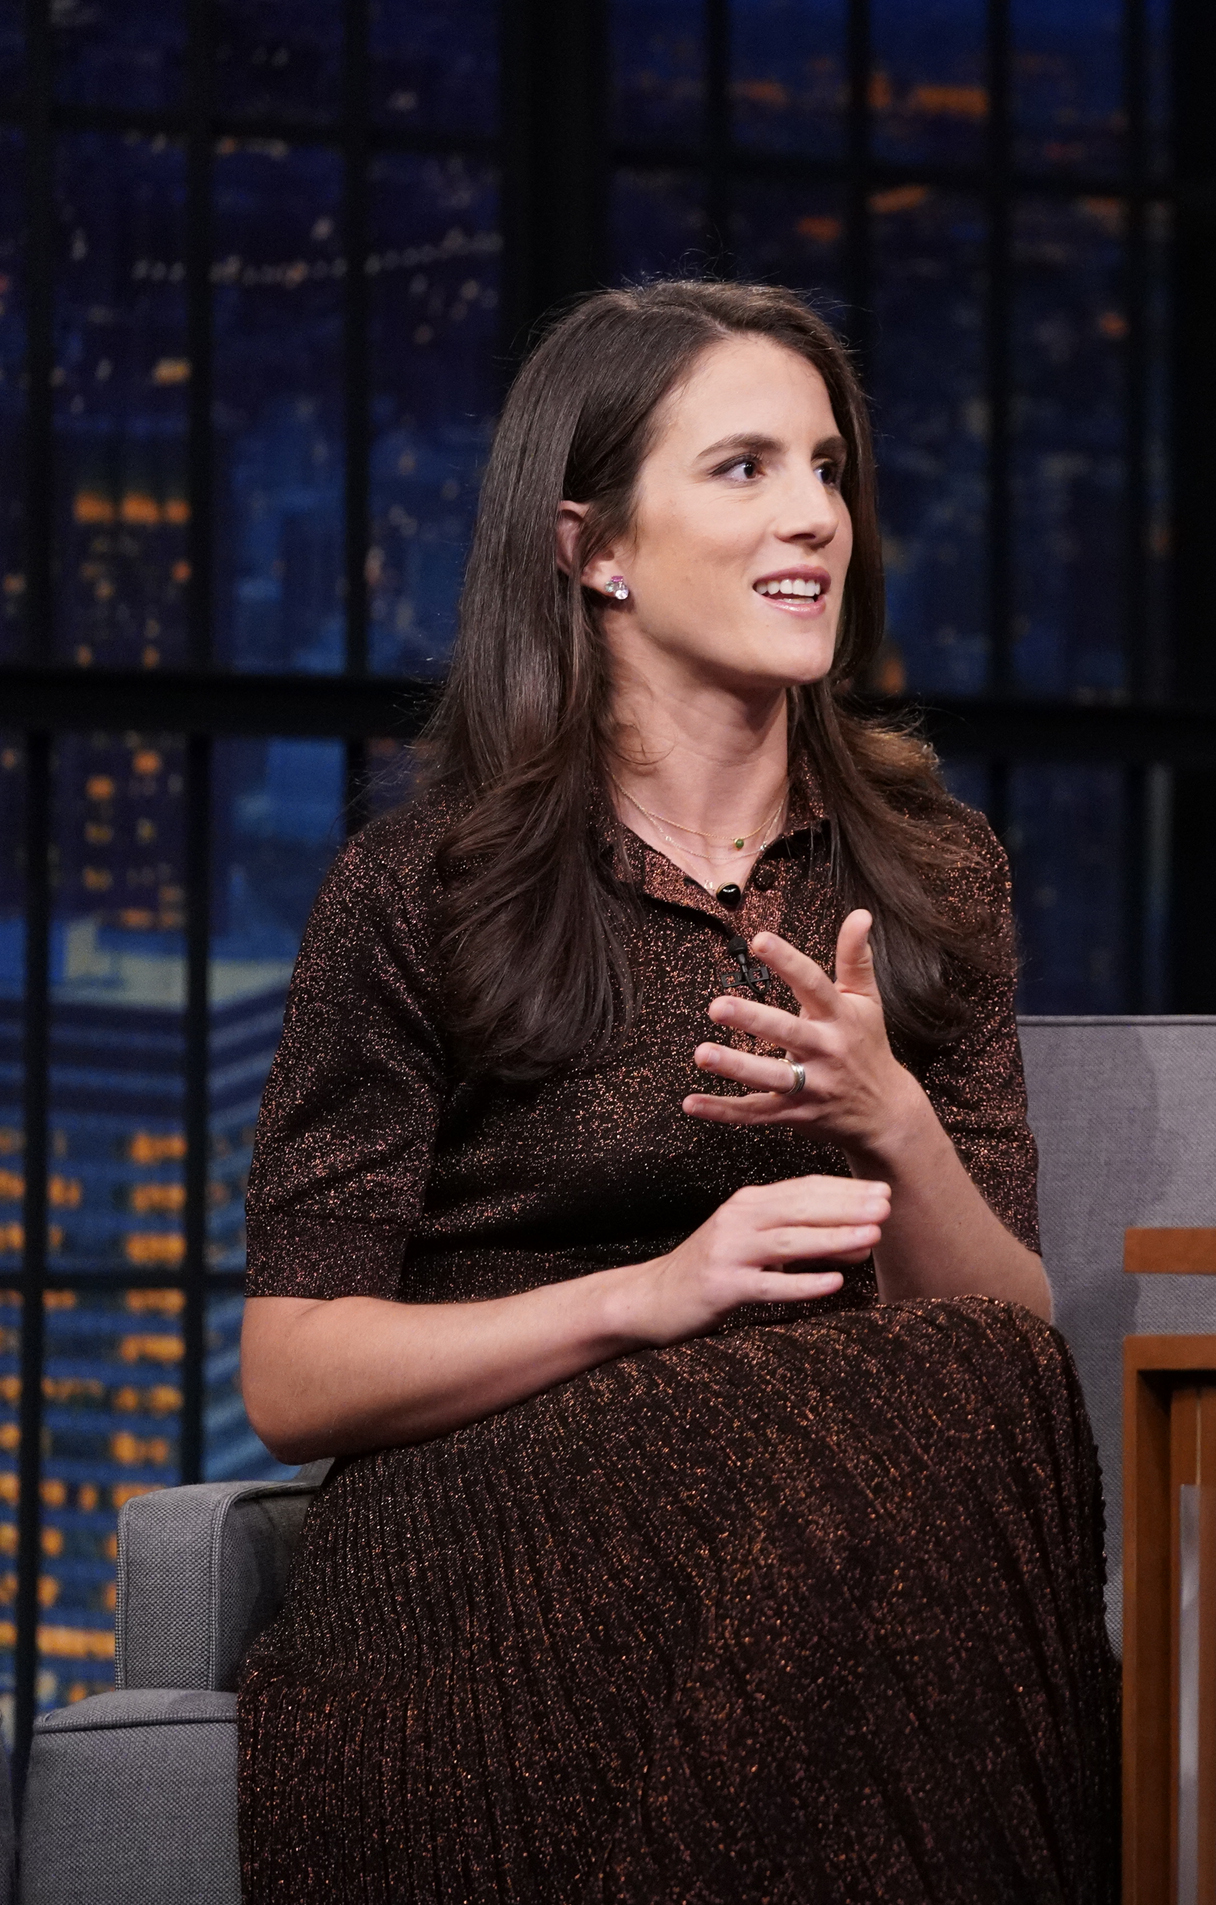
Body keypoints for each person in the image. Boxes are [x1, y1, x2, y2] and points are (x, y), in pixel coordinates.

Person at [234, 281, 1116, 1898]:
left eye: (831, 470)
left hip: (850, 1502)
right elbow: (293, 1377)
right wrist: (652, 1295)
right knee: (944, 1430)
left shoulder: (929, 879)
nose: (815, 520)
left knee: (985, 1400)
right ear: (595, 549)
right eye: (745, 469)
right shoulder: (427, 892)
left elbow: (1012, 1336)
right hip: (496, 1513)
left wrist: (892, 1118)